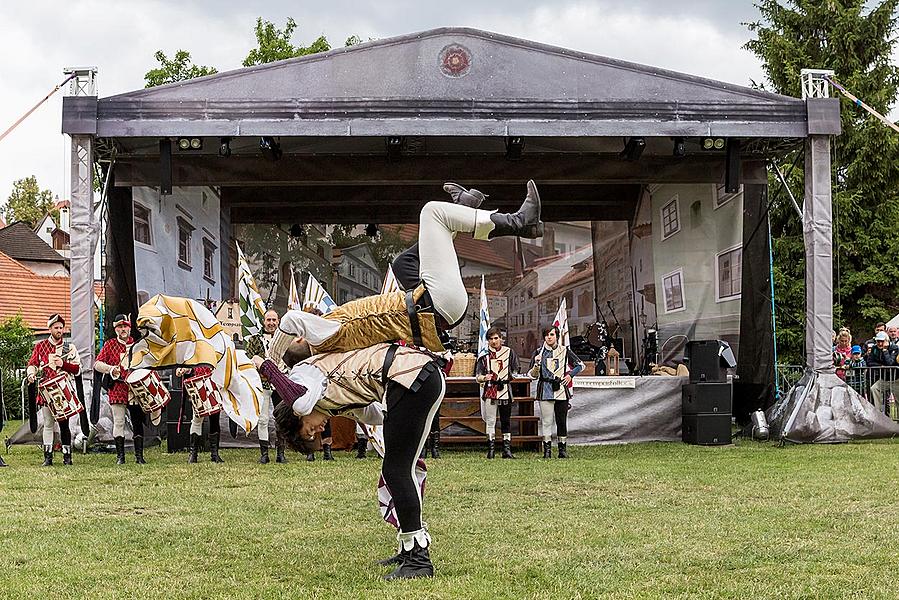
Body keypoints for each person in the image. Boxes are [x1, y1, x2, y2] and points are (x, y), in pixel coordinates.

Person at [268, 181, 544, 363]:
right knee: (432, 213)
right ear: (303, 338)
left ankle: (464, 210)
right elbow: (291, 318)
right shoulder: (324, 335)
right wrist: (270, 361)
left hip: (431, 309)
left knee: (403, 264)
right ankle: (519, 222)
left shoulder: (333, 342)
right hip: (436, 305)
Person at [258, 339, 446, 580]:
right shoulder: (332, 401)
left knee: (397, 471)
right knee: (397, 470)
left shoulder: (303, 381)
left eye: (309, 430)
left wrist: (265, 365)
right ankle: (408, 549)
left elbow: (298, 398)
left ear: (298, 414)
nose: (317, 430)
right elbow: (373, 414)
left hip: (411, 377)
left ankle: (418, 560)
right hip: (413, 379)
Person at [95, 314, 153, 464]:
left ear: (130, 327)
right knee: (119, 421)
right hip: (118, 387)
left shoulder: (139, 345)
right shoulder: (109, 345)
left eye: (125, 326)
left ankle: (139, 457)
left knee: (137, 421)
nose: (123, 329)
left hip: (135, 389)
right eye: (120, 327)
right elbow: (97, 364)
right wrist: (110, 369)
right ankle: (120, 457)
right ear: (115, 329)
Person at [26, 314, 83, 466]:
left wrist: (63, 364)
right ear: (50, 328)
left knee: (64, 425)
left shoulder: (70, 348)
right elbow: (33, 364)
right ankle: (48, 457)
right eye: (56, 327)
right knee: (48, 423)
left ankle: (67, 457)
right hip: (46, 391)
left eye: (61, 328)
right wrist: (31, 373)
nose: (59, 330)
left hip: (63, 391)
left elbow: (77, 369)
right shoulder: (40, 346)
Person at [528, 326, 584, 459]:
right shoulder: (538, 352)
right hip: (545, 389)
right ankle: (547, 451)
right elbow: (531, 375)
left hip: (561, 390)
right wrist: (536, 365)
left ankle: (562, 450)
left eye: (552, 334)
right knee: (546, 421)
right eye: (547, 335)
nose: (549, 337)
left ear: (557, 336)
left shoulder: (564, 351)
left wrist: (570, 375)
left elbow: (580, 365)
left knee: (561, 421)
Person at [244, 309, 287, 464]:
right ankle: (264, 454)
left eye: (274, 320)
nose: (271, 323)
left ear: (278, 321)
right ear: (264, 321)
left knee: (281, 418)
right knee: (263, 419)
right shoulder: (255, 339)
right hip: (262, 384)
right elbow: (248, 359)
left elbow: (290, 360)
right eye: (268, 320)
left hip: (281, 384)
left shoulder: (285, 339)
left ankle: (280, 453)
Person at [475, 326, 520, 459]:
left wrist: (508, 377)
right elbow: (477, 376)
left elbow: (516, 369)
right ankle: (491, 450)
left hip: (505, 390)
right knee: (490, 421)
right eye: (490, 339)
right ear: (487, 341)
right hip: (490, 391)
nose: (494, 341)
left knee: (506, 421)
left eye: (496, 338)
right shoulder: (484, 356)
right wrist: (485, 377)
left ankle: (506, 450)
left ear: (501, 338)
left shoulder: (509, 353)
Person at [176, 365, 224, 463]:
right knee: (197, 418)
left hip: (213, 383)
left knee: (214, 419)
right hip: (198, 385)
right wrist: (185, 369)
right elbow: (191, 366)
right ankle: (193, 454)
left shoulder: (216, 350)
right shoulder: (194, 350)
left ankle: (215, 454)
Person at [867, 331, 898, 414]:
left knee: (897, 400)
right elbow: (869, 362)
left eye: (882, 341)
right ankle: (879, 414)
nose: (880, 343)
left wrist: (885, 350)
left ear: (887, 341)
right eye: (878, 341)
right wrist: (881, 366)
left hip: (896, 378)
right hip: (884, 378)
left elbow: (890, 363)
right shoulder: (874, 348)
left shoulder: (894, 348)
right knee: (874, 388)